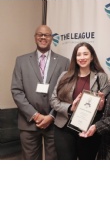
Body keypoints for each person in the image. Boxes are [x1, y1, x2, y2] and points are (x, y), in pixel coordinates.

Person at [11, 25, 70, 160]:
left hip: (54, 122)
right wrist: (35, 115)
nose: (43, 37)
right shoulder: (21, 61)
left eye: (46, 35)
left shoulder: (64, 62)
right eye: (40, 34)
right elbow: (16, 90)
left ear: (51, 38)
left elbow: (66, 93)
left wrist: (51, 116)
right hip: (29, 122)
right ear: (35, 37)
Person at [50, 42, 109, 160]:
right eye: (79, 55)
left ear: (92, 57)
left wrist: (101, 105)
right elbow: (53, 100)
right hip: (64, 129)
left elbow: (103, 106)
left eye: (85, 54)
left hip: (88, 130)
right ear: (75, 58)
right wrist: (70, 107)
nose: (82, 58)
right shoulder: (64, 75)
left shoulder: (101, 77)